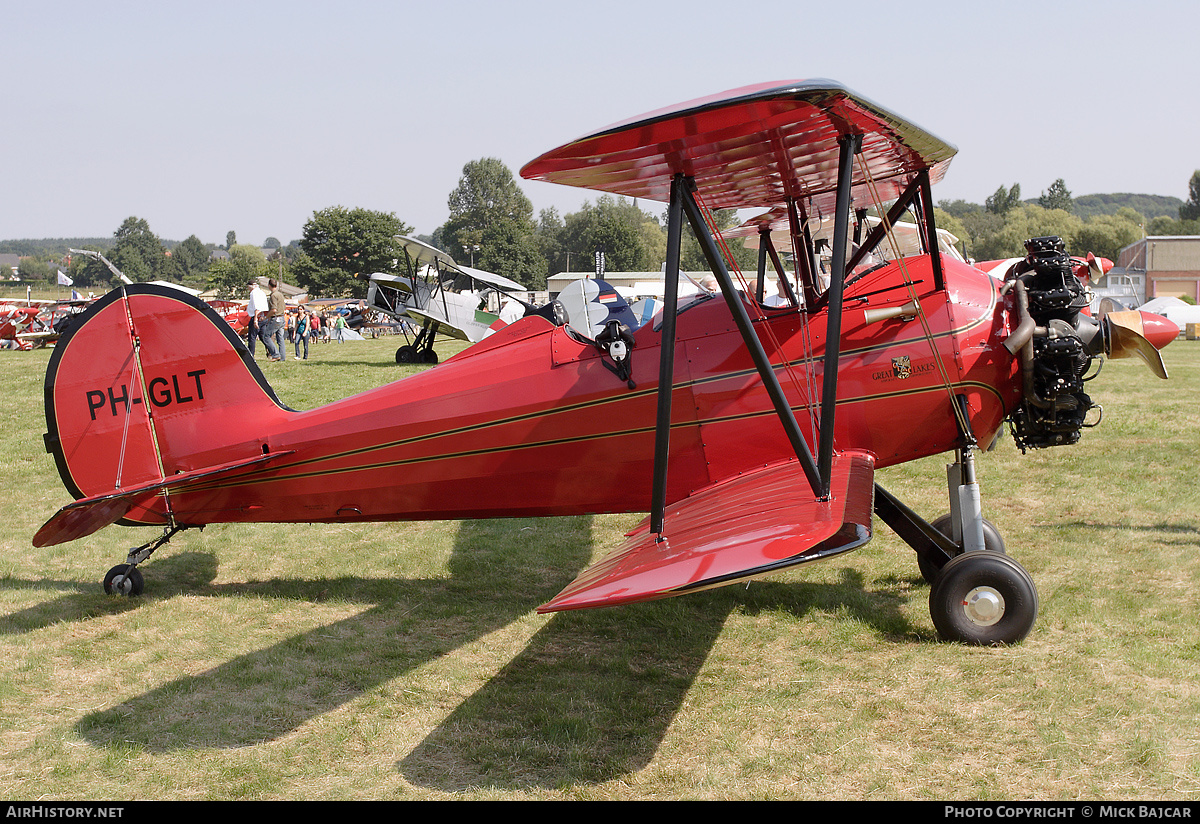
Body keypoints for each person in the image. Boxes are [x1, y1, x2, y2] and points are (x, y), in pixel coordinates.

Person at [262, 278, 287, 361]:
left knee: (266, 337)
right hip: (282, 318)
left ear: (269, 285)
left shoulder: (273, 295)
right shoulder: (280, 294)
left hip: (276, 318)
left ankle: (275, 354)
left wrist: (266, 317)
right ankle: (282, 357)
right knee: (280, 339)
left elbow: (274, 310)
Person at [246, 280, 268, 357]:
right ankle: (272, 351)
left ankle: (251, 355)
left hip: (257, 317)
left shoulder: (254, 293)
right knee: (263, 337)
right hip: (263, 317)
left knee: (252, 337)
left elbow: (257, 307)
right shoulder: (262, 292)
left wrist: (255, 319)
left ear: (250, 286)